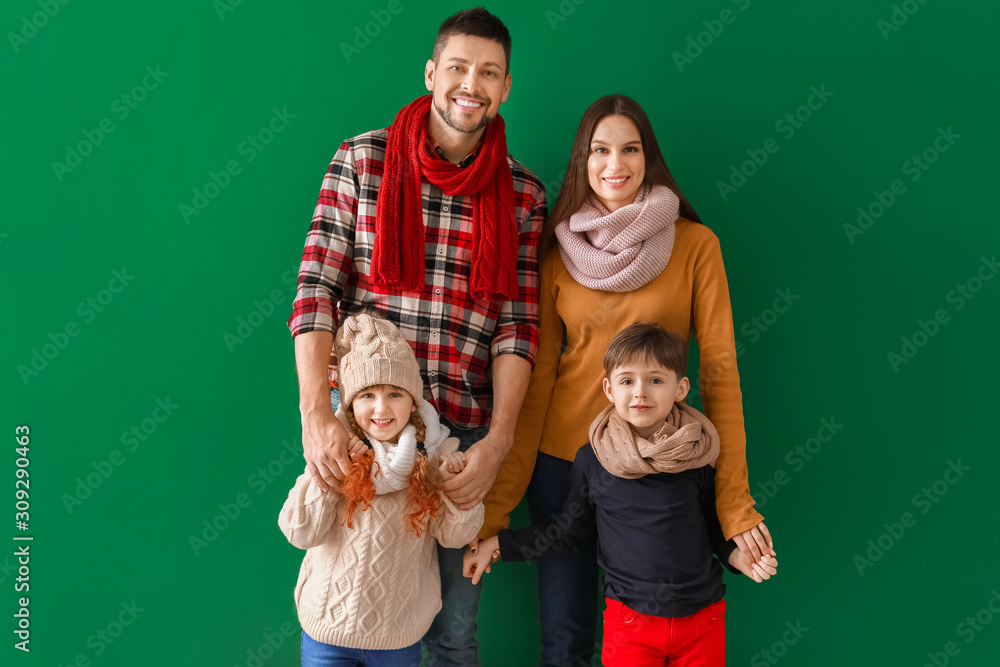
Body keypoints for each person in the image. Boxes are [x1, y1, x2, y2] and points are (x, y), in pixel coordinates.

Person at [478, 95, 776, 666]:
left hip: (663, 467)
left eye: (630, 149)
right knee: (564, 644)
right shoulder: (558, 253)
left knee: (662, 632)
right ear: (582, 162)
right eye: (600, 149)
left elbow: (718, 374)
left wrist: (735, 505)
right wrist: (497, 509)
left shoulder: (695, 246)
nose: (615, 163)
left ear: (649, 158)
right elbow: (538, 381)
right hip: (564, 464)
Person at [286, 8, 545, 664]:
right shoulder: (361, 161)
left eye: (488, 73)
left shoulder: (525, 195)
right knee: (345, 616)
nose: (471, 83)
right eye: (457, 67)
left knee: (455, 635)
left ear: (506, 86)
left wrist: (500, 441)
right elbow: (315, 295)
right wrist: (317, 418)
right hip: (364, 445)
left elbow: (518, 327)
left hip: (457, 455)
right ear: (431, 72)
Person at [466, 323, 778, 666]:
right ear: (609, 389)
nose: (640, 392)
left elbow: (712, 525)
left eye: (656, 380)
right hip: (630, 623)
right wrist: (501, 544)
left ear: (680, 388)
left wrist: (735, 556)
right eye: (627, 381)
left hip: (702, 619)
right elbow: (569, 534)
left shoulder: (696, 455)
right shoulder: (594, 460)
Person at [279, 314, 484, 666]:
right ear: (349, 403)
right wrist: (332, 478)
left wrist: (454, 487)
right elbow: (299, 531)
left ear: (413, 401)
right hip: (328, 631)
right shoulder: (334, 454)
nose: (381, 407)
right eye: (367, 395)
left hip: (397, 637)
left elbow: (456, 535)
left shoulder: (435, 458)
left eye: (394, 394)